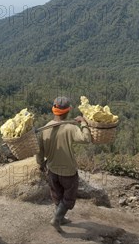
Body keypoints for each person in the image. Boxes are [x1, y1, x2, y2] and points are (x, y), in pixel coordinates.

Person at [36, 96, 92, 232]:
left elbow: (39, 151)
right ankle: (56, 218)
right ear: (68, 111)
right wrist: (84, 123)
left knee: (57, 195)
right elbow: (86, 139)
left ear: (53, 110)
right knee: (68, 198)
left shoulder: (44, 129)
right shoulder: (71, 128)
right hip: (68, 171)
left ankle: (60, 217)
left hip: (52, 170)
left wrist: (40, 163)